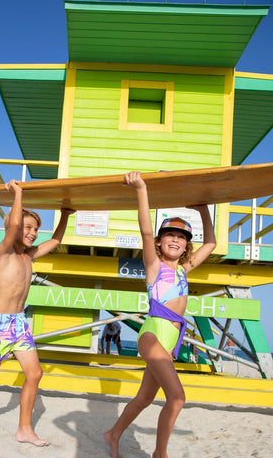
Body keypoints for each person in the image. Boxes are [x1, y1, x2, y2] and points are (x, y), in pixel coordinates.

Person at [104, 171, 216, 458]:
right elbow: (144, 230)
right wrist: (141, 189)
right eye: (169, 235)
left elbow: (211, 244)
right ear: (159, 241)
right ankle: (160, 454)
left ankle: (113, 434)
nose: (176, 240)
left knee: (144, 398)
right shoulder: (155, 266)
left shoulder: (183, 268)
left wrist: (204, 211)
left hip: (170, 337)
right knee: (177, 398)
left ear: (186, 244)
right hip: (153, 334)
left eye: (181, 237)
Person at [0, 179, 74, 445]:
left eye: (36, 229)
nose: (33, 232)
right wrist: (18, 194)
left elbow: (56, 240)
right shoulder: (4, 252)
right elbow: (12, 225)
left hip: (19, 324)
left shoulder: (29, 257)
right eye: (29, 227)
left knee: (34, 374)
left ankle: (24, 429)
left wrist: (65, 215)